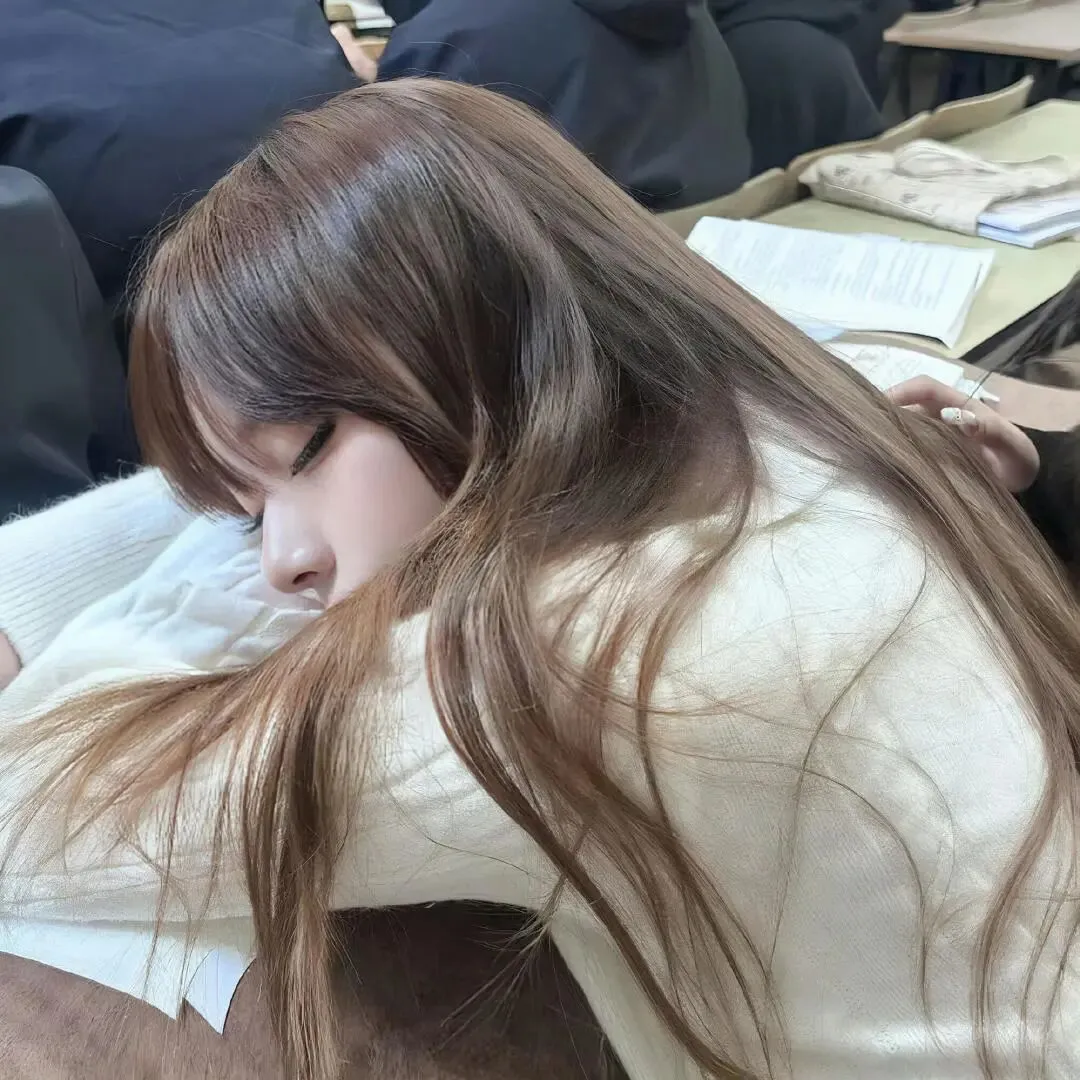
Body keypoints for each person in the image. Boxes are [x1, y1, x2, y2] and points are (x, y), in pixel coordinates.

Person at [3, 78, 1080, 1080]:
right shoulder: (794, 430)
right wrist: (231, 484)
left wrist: (94, 597)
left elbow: (43, 819)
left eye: (309, 447)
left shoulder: (595, 656)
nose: (283, 560)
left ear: (491, 348)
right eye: (245, 518)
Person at [375, 0, 753, 209]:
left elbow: (395, 225)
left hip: (558, 308)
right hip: (687, 281)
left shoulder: (455, 38)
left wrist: (363, 93)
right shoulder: (691, 17)